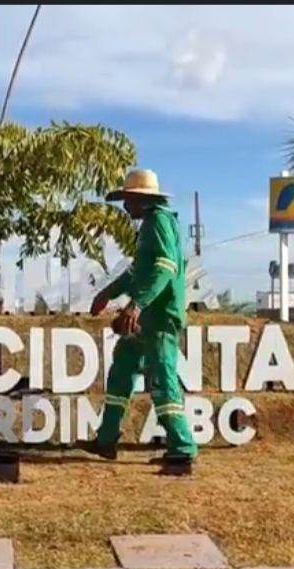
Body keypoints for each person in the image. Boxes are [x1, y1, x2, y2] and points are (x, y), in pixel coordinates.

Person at [84, 168, 197, 464]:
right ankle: (106, 439)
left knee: (162, 379)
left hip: (160, 318)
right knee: (121, 369)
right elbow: (138, 272)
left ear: (141, 198)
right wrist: (107, 292)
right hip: (146, 318)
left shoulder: (159, 221)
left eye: (127, 199)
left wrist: (136, 306)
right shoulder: (148, 225)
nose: (125, 206)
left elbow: (164, 268)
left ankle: (182, 449)